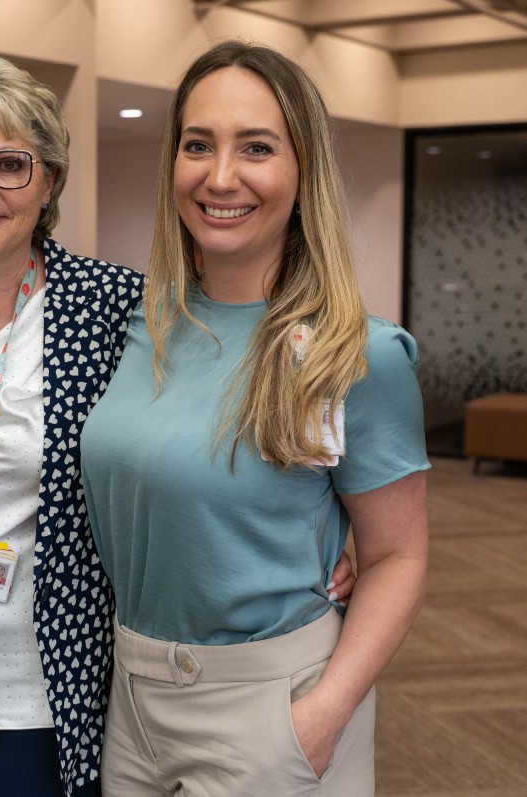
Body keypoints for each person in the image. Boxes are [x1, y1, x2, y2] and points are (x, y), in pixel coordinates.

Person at [0, 51, 355, 797]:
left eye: (10, 165)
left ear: (48, 180)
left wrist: (351, 523)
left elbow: (213, 415)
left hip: (40, 690)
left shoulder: (119, 307)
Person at [81, 41, 430, 796]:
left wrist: (323, 714)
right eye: (197, 144)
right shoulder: (139, 325)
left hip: (273, 703)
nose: (219, 176)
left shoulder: (356, 352)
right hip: (131, 697)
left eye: (256, 148)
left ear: (304, 174)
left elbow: (398, 557)